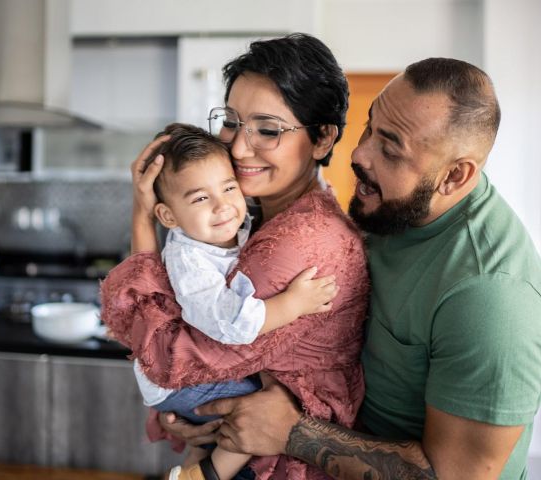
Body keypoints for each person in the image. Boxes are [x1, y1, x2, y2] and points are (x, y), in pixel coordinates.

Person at [189, 58, 541, 480]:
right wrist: (220, 416)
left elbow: (458, 476)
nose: (359, 154)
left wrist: (291, 431)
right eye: (369, 127)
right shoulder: (391, 211)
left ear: (455, 176)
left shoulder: (490, 295)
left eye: (390, 149)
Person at [101, 33, 370, 480]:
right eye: (231, 121)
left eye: (267, 129)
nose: (239, 148)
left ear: (322, 138)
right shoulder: (254, 217)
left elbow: (170, 360)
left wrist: (142, 219)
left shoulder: (296, 244)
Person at [130, 122, 339, 480]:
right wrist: (294, 303)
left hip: (182, 376)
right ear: (167, 216)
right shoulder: (189, 261)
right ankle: (206, 475)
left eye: (229, 187)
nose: (223, 205)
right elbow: (230, 323)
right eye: (200, 198)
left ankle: (195, 460)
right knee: (260, 402)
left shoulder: (225, 231)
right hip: (180, 381)